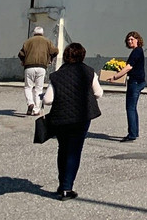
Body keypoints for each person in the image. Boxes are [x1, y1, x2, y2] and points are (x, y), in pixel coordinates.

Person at [42, 42, 102, 200]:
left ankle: (62, 184)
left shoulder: (57, 75)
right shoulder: (89, 71)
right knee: (74, 151)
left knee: (63, 150)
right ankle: (66, 188)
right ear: (82, 55)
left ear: (66, 56)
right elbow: (98, 93)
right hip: (81, 116)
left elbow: (48, 100)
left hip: (61, 117)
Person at [111, 31, 145, 142]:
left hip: (135, 83)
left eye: (132, 39)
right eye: (128, 40)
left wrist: (115, 76)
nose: (130, 41)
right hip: (138, 82)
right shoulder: (138, 51)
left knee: (130, 108)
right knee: (133, 108)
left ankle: (132, 135)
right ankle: (135, 132)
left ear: (137, 40)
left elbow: (129, 67)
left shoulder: (136, 51)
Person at [18, 26, 58, 116]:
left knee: (28, 87)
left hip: (29, 67)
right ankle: (36, 110)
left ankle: (30, 103)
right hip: (42, 67)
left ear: (34, 33)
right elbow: (55, 51)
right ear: (42, 33)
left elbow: (21, 54)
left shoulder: (28, 41)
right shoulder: (47, 41)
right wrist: (50, 59)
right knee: (38, 88)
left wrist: (23, 61)